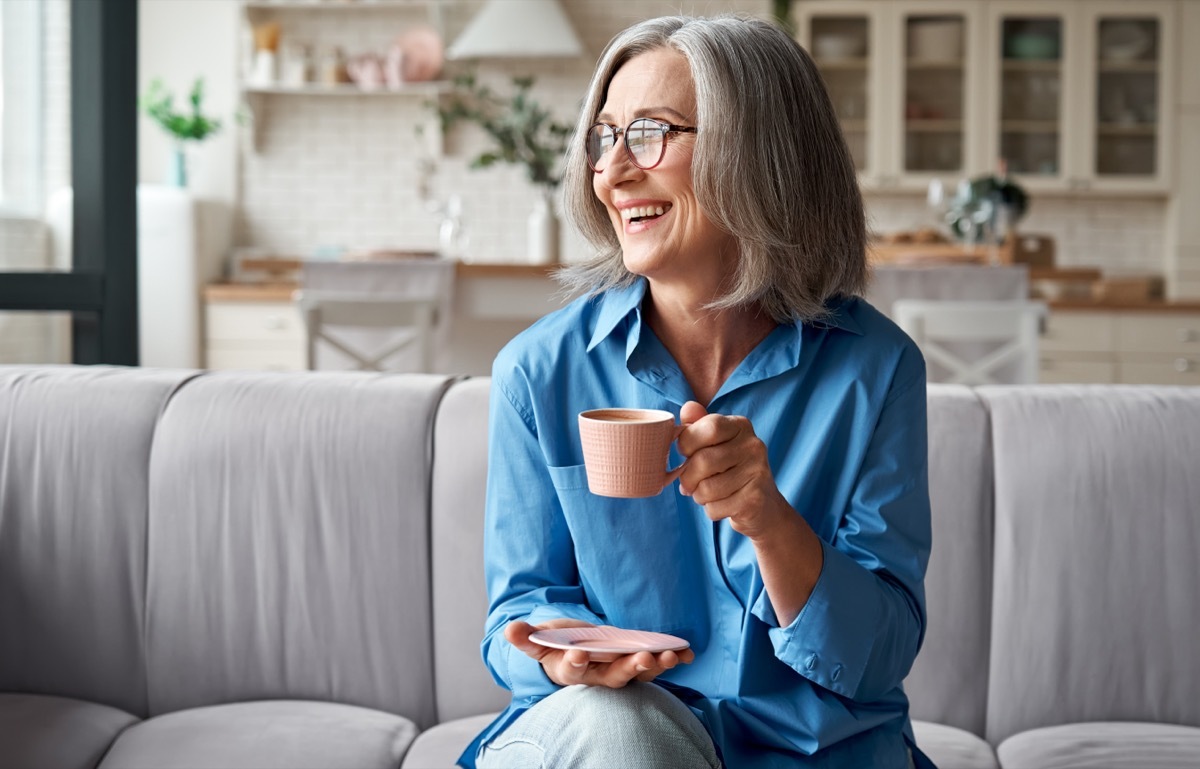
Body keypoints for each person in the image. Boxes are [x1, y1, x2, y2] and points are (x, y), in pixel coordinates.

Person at [459, 13, 934, 769]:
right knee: (624, 735)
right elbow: (516, 613)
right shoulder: (539, 371)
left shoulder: (875, 371)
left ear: (760, 154)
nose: (612, 172)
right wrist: (560, 657)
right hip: (610, 735)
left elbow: (877, 656)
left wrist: (769, 520)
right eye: (603, 137)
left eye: (649, 132)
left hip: (813, 753)